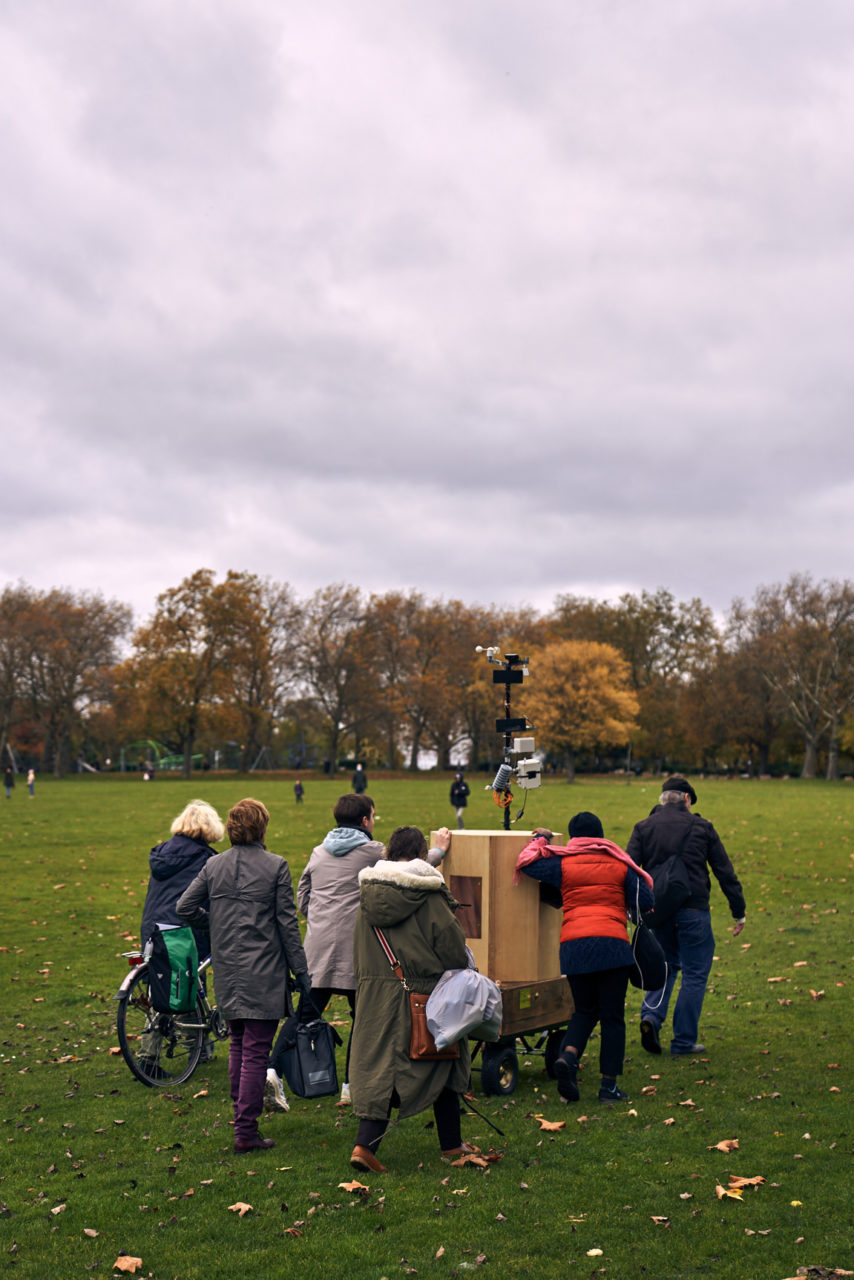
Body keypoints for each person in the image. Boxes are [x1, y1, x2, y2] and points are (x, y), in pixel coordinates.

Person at [285, 795, 452, 1110]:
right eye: (373, 816)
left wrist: (317, 918)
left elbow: (303, 890)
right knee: (362, 1018)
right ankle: (350, 1086)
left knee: (305, 1013)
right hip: (357, 950)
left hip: (318, 948)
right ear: (365, 821)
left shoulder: (319, 852)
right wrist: (440, 849)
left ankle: (272, 1072)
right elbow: (407, 869)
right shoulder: (373, 852)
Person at [178, 797, 311, 1154]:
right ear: (262, 827)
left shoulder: (214, 865)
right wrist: (302, 971)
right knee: (254, 1051)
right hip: (264, 971)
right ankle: (245, 1131)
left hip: (230, 972)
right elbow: (287, 926)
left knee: (239, 1045)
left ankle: (242, 1121)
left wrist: (217, 926)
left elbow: (184, 907)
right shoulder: (276, 866)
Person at [348, 825, 474, 1172]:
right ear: (422, 856)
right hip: (421, 995)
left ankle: (365, 1145)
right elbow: (452, 950)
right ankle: (451, 1143)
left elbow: (358, 950)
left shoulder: (367, 896)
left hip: (375, 996)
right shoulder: (429, 896)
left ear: (387, 853)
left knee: (380, 1069)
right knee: (445, 1056)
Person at [515, 812, 654, 1103]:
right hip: (613, 946)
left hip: (574, 946)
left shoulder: (562, 862)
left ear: (574, 837)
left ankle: (568, 1056)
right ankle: (608, 1087)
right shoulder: (619, 863)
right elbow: (647, 901)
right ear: (601, 835)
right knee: (612, 1017)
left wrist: (542, 838)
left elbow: (527, 864)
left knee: (583, 1011)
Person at [626, 775, 746, 1058]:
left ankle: (651, 1018)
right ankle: (682, 1042)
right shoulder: (702, 827)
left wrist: (630, 908)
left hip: (658, 911)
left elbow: (628, 870)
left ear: (663, 799)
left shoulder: (643, 827)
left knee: (664, 966)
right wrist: (738, 910)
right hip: (694, 909)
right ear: (687, 800)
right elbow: (724, 871)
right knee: (694, 974)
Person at [140, 799, 224, 959]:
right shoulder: (205, 858)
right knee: (190, 980)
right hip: (184, 931)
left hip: (152, 928)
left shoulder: (162, 853)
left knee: (159, 978)